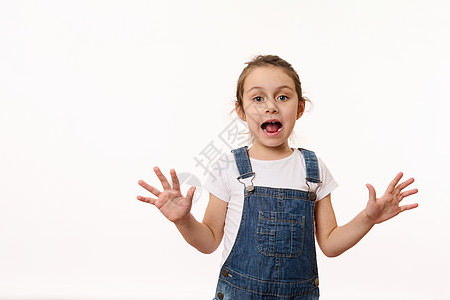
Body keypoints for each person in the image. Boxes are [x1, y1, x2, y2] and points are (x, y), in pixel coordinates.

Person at [137, 55, 418, 299]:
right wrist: (183, 220)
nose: (271, 106)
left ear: (299, 108)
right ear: (241, 111)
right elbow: (209, 241)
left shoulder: (313, 167)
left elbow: (331, 244)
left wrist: (367, 218)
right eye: (258, 98)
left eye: (282, 97)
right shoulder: (229, 166)